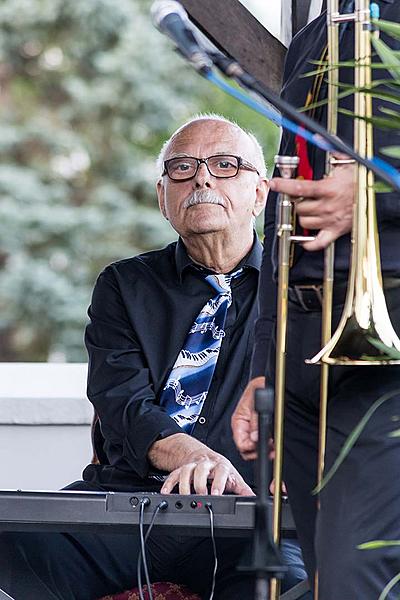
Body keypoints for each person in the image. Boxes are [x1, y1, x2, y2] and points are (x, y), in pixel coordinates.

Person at [0, 115, 308, 600]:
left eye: (225, 165)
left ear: (261, 193)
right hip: (128, 504)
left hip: (249, 517)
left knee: (294, 586)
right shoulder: (124, 285)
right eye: (182, 168)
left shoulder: (301, 289)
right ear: (163, 197)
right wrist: (194, 454)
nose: (202, 178)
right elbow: (121, 402)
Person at [232, 1, 400, 599]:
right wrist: (264, 370)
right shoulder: (316, 38)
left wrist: (374, 191)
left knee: (359, 582)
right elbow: (287, 211)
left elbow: (360, 188)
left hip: (385, 355)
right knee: (327, 580)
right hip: (303, 345)